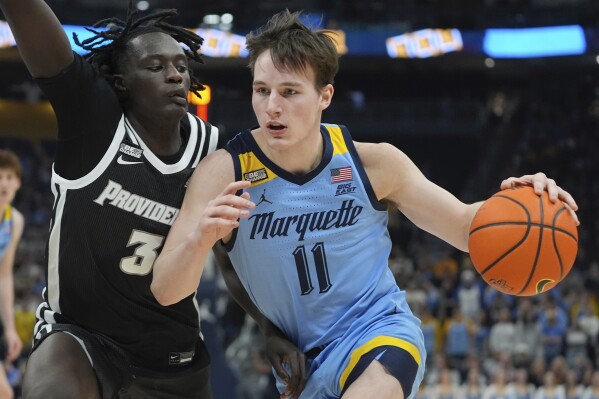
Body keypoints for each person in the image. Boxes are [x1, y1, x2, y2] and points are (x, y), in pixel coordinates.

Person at [152, 10, 580, 399]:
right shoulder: (223, 172)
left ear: (325, 96)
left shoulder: (374, 164)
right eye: (261, 90)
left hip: (378, 332)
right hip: (302, 363)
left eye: (289, 91)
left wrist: (522, 199)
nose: (272, 106)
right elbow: (166, 290)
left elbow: (469, 227)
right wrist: (199, 238)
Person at [0, 0, 228, 397]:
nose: (175, 76)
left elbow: (233, 253)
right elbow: (51, 55)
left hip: (172, 354)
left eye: (181, 66)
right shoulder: (95, 123)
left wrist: (270, 329)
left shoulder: (210, 149)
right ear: (121, 82)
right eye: (156, 67)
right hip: (84, 339)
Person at [0, 149, 25, 399]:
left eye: (9, 177)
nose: (3, 183)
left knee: (5, 393)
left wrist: (10, 328)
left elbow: (4, 276)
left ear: (17, 182)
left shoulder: (14, 221)